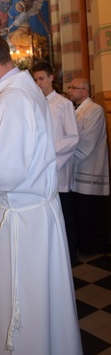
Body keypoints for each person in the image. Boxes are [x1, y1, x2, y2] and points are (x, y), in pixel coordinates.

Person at [0, 29, 84, 355]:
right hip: (36, 216)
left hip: (21, 224)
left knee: (22, 305)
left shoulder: (10, 100)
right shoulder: (26, 91)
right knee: (43, 302)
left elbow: (0, 174)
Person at [32, 62, 79, 263]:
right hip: (40, 167)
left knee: (64, 211)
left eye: (41, 78)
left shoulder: (63, 104)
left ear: (51, 78)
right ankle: (52, 254)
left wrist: (48, 150)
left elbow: (73, 137)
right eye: (35, 80)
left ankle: (69, 255)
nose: (38, 83)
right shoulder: (34, 103)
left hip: (57, 166)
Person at [67, 78, 110, 254]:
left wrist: (68, 161)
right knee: (80, 212)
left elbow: (86, 141)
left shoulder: (95, 110)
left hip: (89, 168)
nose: (69, 90)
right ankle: (83, 244)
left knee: (91, 211)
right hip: (77, 169)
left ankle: (94, 246)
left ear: (84, 91)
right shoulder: (75, 110)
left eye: (73, 88)